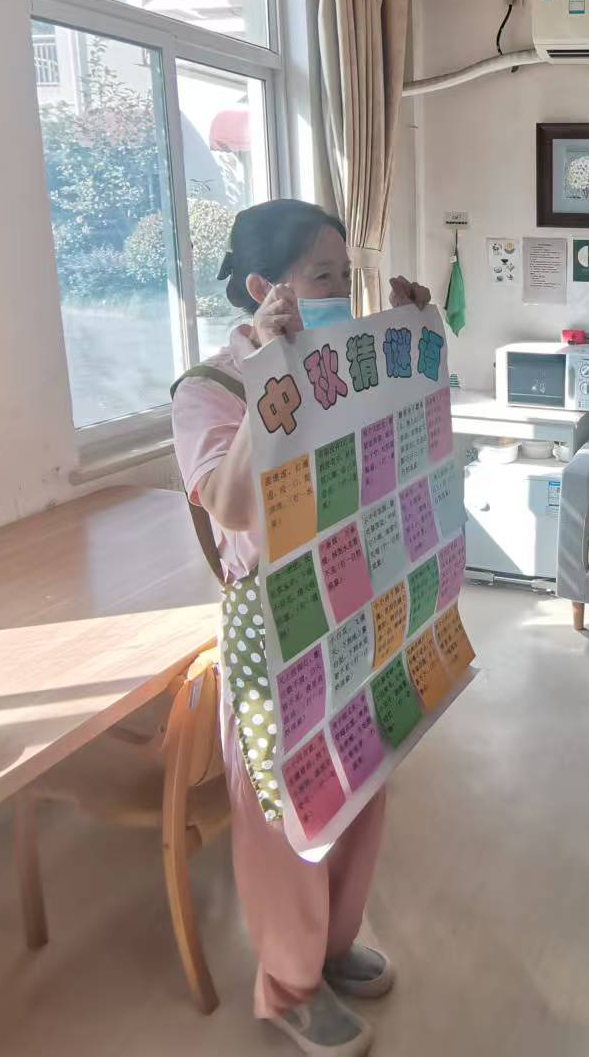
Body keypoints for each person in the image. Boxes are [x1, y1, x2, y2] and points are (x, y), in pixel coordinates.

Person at [170, 199, 430, 1057]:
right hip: (278, 623)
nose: (341, 293)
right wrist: (271, 373)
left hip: (352, 595)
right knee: (289, 815)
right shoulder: (208, 390)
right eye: (324, 277)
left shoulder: (340, 361)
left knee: (360, 780)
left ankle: (333, 943)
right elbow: (231, 504)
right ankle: (288, 985)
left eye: (346, 276)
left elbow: (398, 441)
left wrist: (412, 340)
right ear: (263, 288)